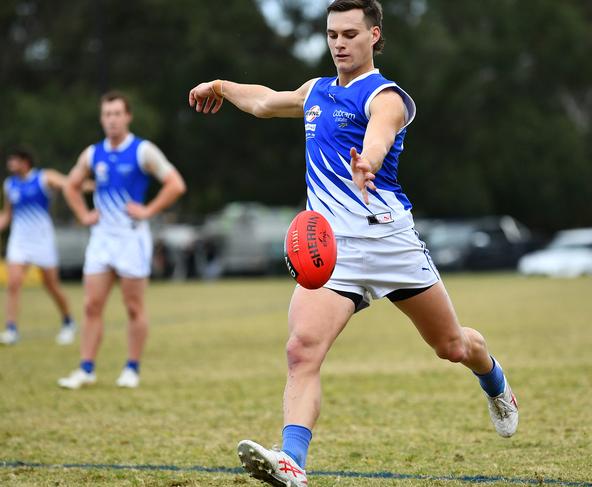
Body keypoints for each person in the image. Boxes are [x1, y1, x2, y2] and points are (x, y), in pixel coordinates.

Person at [189, 1, 518, 485]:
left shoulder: (386, 96)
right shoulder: (317, 90)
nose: (339, 43)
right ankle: (292, 461)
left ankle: (495, 380)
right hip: (330, 249)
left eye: (349, 34)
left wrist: (367, 159)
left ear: (374, 35)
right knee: (302, 350)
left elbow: (381, 132)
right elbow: (264, 101)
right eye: (331, 35)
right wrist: (220, 86)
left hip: (389, 243)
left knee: (451, 345)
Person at [57, 91, 186, 390]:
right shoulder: (93, 154)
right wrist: (83, 214)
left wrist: (149, 210)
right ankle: (86, 368)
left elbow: (176, 184)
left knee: (133, 307)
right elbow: (71, 186)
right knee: (91, 306)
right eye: (107, 114)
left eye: (117, 113)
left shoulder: (143, 151)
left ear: (127, 116)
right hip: (102, 240)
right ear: (101, 118)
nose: (112, 120)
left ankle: (132, 368)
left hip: (131, 238)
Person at [0, 149, 77, 346]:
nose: (10, 164)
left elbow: (70, 184)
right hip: (19, 241)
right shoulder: (10, 185)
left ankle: (68, 321)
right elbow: (7, 215)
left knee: (51, 285)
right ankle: (11, 329)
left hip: (42, 240)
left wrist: (92, 185)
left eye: (14, 160)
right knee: (14, 283)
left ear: (25, 162)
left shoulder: (43, 178)